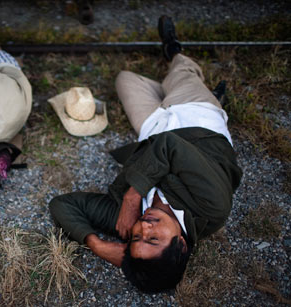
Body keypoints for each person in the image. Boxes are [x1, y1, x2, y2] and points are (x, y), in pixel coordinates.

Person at [48, 15, 243, 292]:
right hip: (197, 119)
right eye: (153, 239)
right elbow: (170, 146)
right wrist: (131, 196)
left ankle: (168, 87)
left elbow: (62, 204)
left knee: (125, 79)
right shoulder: (212, 206)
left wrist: (97, 244)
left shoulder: (128, 224)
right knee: (180, 73)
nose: (144, 228)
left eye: (136, 238)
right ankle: (175, 51)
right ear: (182, 243)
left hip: (153, 129)